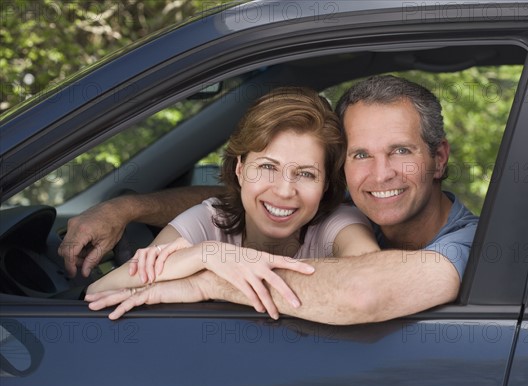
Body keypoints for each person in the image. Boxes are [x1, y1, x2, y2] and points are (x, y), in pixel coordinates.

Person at [72, 75, 478, 324]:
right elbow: (229, 202)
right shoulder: (345, 209)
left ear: (438, 158)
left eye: (401, 151)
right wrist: (128, 208)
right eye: (360, 154)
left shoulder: (470, 244)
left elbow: (361, 290)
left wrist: (208, 281)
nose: (381, 173)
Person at [84, 86, 380, 319]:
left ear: (326, 184)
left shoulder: (338, 224)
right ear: (240, 169)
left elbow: (373, 284)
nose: (285, 190)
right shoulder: (210, 220)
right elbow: (100, 290)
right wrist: (205, 255)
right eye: (267, 167)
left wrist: (207, 283)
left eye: (305, 174)